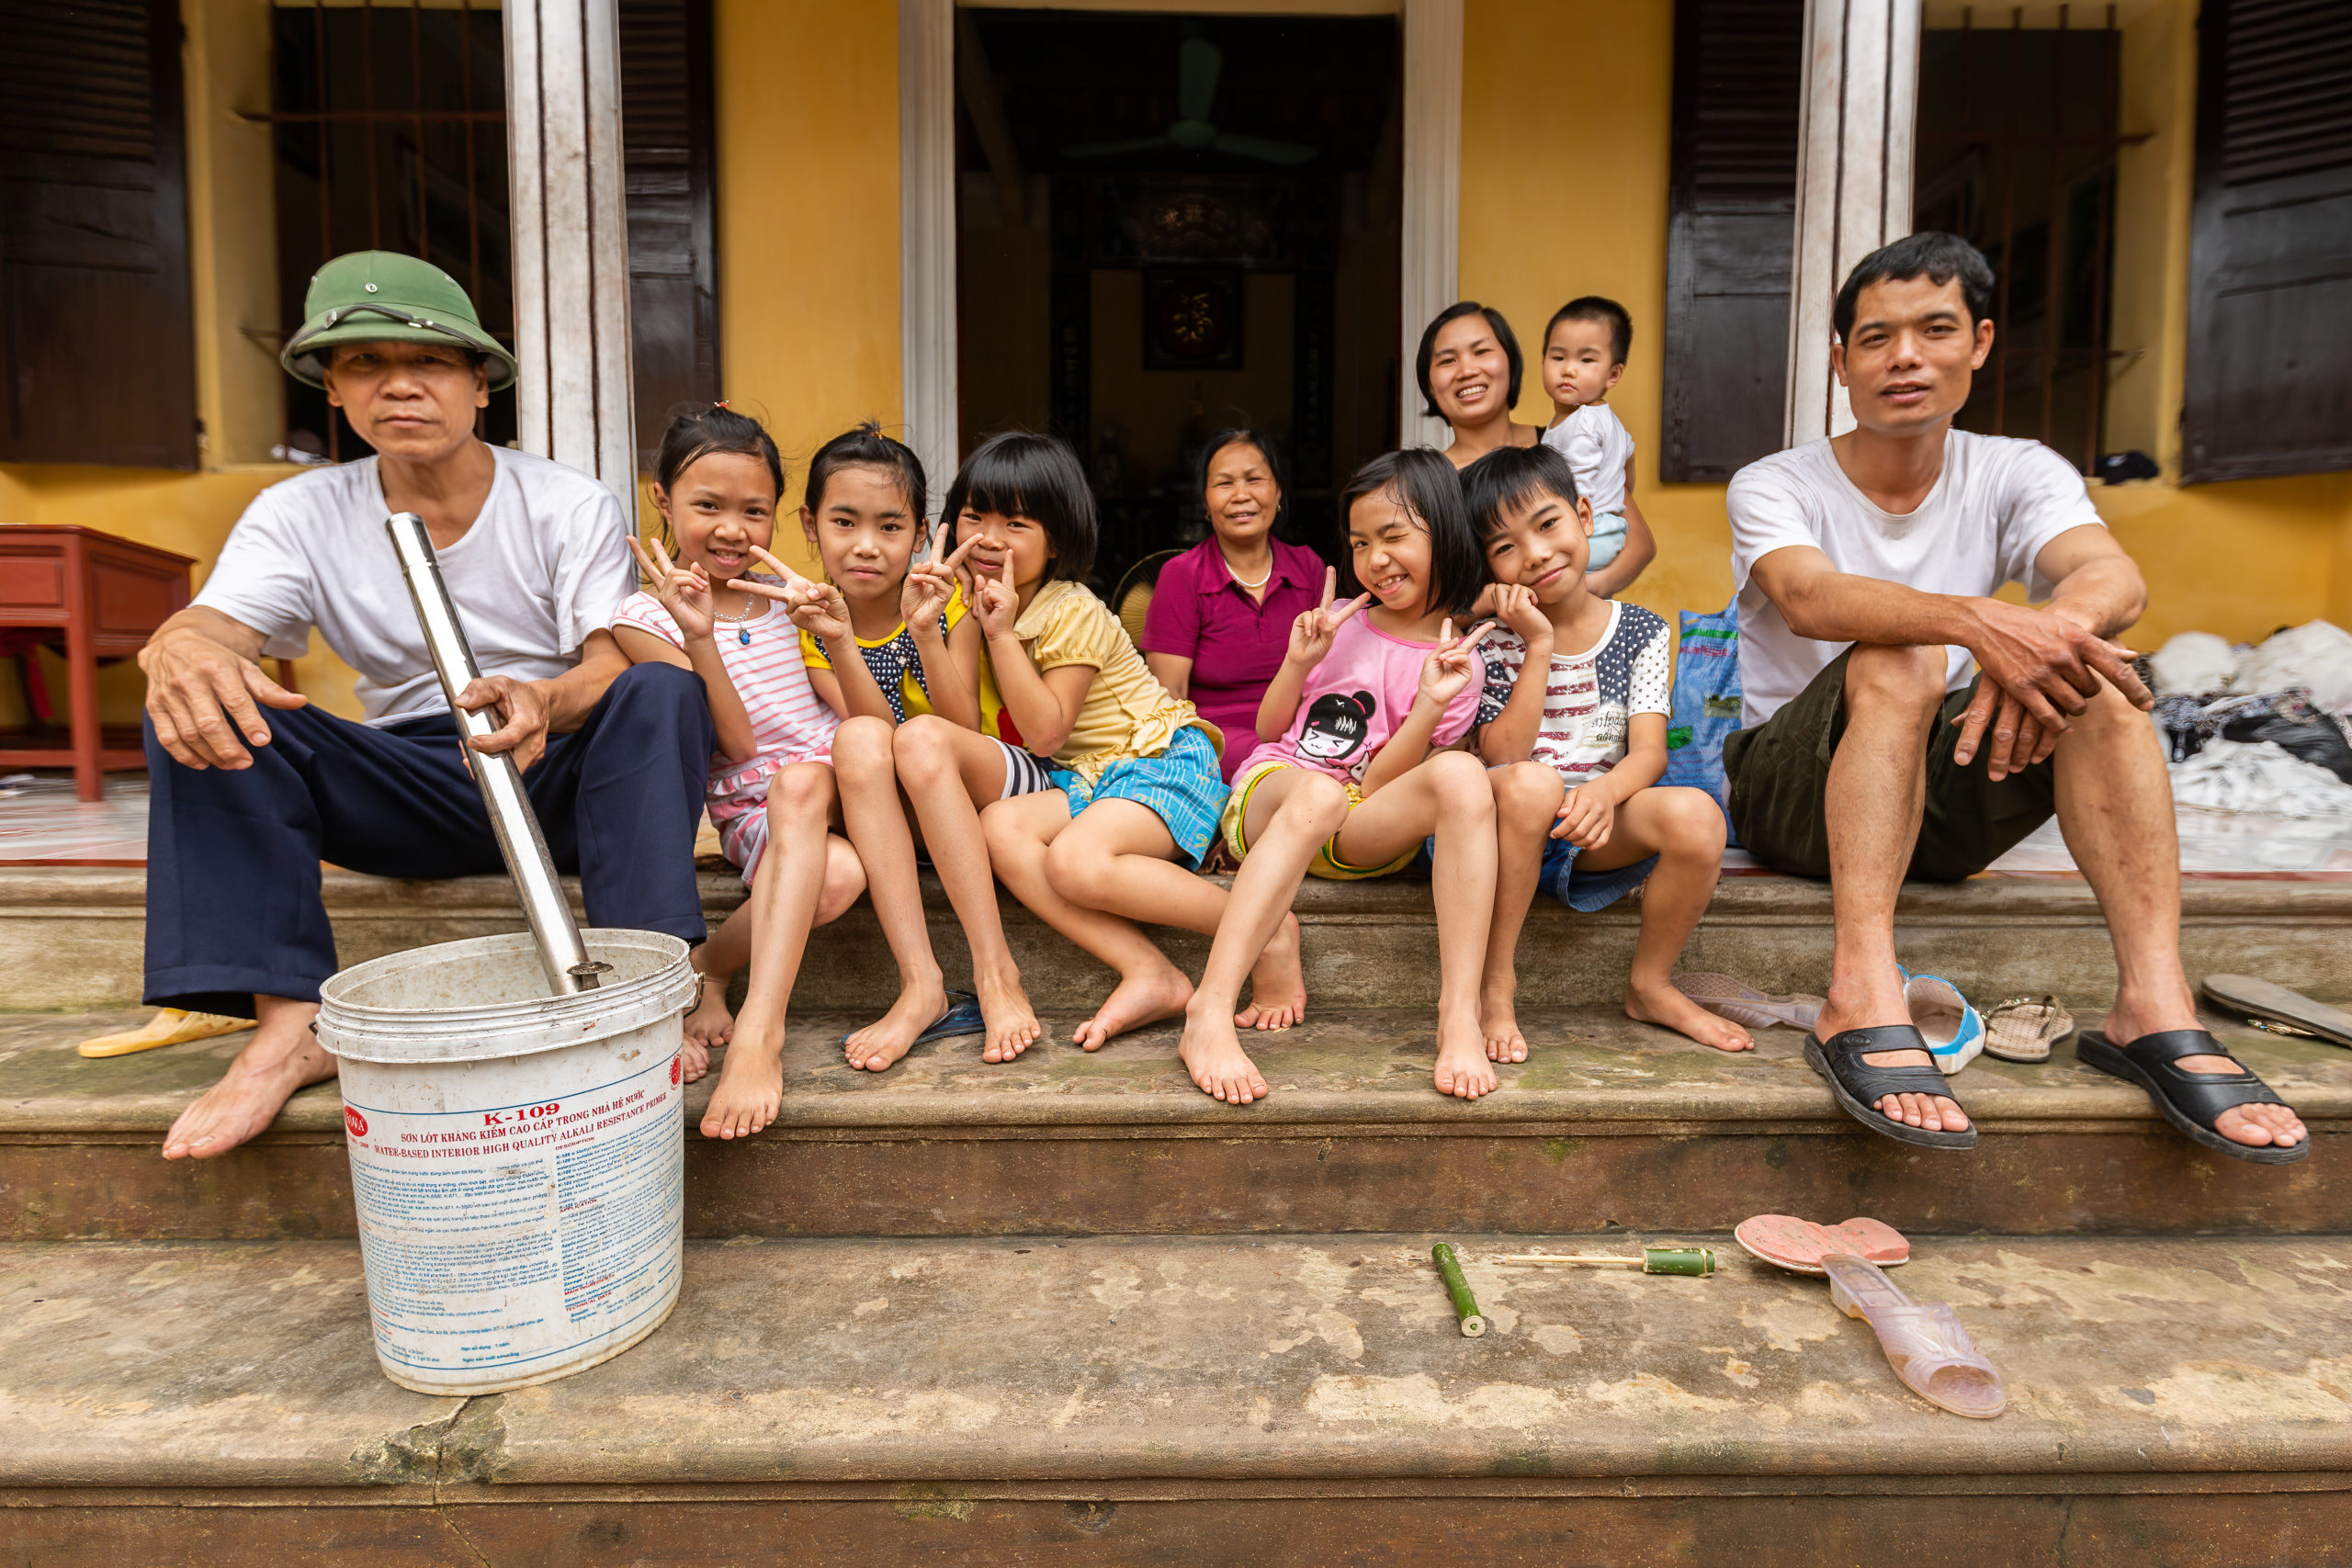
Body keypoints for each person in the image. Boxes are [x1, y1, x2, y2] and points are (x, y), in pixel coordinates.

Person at [1724, 231, 2306, 1161]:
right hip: (1790, 797)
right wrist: (1978, 625)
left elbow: (2107, 575)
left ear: (1981, 342)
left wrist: (2041, 641)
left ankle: (2149, 1005)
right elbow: (1807, 598)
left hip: (1942, 796)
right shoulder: (1776, 482)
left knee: (2103, 681)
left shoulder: (2017, 468)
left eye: (1934, 330)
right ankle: (1859, 992)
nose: (1904, 357)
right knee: (1901, 655)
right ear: (1839, 363)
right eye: (1874, 339)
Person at [138, 252, 710, 1161]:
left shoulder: (565, 502)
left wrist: (543, 697)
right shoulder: (298, 513)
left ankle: (651, 986)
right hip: (409, 781)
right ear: (333, 387)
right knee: (204, 693)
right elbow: (215, 626)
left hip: (556, 772)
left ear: (480, 385)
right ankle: (289, 1023)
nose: (399, 387)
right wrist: (177, 650)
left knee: (659, 686)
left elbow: (607, 661)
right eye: (365, 364)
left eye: (430, 363)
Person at [895, 432, 1302, 1063]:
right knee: (999, 829)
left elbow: (1047, 731)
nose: (991, 536)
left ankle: (1266, 922)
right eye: (976, 515)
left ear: (1056, 538)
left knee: (1075, 863)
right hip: (1090, 777)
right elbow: (960, 728)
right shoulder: (973, 603)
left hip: (1162, 761)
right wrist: (928, 631)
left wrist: (999, 635)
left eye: (1017, 521)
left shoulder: (1070, 609)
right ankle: (1150, 971)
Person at [1184, 450, 1501, 1104]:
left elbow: (1383, 783)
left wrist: (1432, 702)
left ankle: (1459, 1011)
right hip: (1275, 795)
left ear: (1443, 530)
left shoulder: (1459, 661)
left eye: (1393, 536)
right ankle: (1208, 1011)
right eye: (1361, 542)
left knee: (1465, 775)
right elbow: (1273, 730)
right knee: (1319, 789)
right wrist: (1299, 663)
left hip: (1357, 820)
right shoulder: (1346, 623)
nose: (1375, 558)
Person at [613, 408, 870, 1140]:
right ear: (663, 501)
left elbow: (860, 720)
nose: (732, 529)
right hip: (759, 800)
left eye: (753, 511)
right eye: (708, 506)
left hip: (843, 783)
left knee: (821, 778)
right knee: (836, 875)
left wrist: (837, 635)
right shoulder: (645, 619)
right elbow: (732, 738)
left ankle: (748, 1016)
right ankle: (714, 970)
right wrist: (700, 638)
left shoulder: (791, 599)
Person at [786, 423, 1058, 1073]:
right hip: (914, 800)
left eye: (889, 527)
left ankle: (996, 972)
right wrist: (843, 640)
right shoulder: (816, 623)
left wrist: (926, 630)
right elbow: (874, 732)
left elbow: (965, 721)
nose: (866, 546)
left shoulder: (947, 597)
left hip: (996, 775)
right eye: (844, 523)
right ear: (809, 524)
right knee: (858, 737)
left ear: (919, 531)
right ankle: (921, 983)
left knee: (925, 737)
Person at [1464, 443, 1747, 1061]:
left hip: (1590, 824)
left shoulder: (1642, 630)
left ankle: (1650, 983)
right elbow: (1501, 753)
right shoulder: (1492, 641)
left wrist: (1603, 792)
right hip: (1501, 827)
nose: (1536, 554)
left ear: (1585, 516)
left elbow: (1648, 753)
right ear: (1488, 567)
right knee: (1530, 782)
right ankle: (1495, 983)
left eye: (1547, 524)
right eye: (1505, 547)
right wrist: (1536, 644)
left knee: (1699, 817)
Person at [1140, 430, 1328, 781]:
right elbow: (1170, 700)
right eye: (1224, 484)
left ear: (1279, 492)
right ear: (1205, 503)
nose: (1241, 495)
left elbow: (1330, 677)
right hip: (1215, 746)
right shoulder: (1182, 576)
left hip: (1304, 735)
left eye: (1255, 480)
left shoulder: (1308, 567)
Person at [1535, 296, 1657, 599]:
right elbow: (1628, 459)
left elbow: (1577, 492)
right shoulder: (1604, 419)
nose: (1568, 370)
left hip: (1591, 534)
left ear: (1613, 374)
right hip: (1609, 528)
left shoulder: (1583, 427)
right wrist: (1616, 496)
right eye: (1558, 357)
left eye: (1586, 360)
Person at [1419, 302, 1545, 469]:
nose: (1467, 371)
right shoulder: (1428, 487)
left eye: (1481, 352)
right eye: (1448, 361)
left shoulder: (1566, 444)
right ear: (1430, 386)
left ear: (1511, 362)